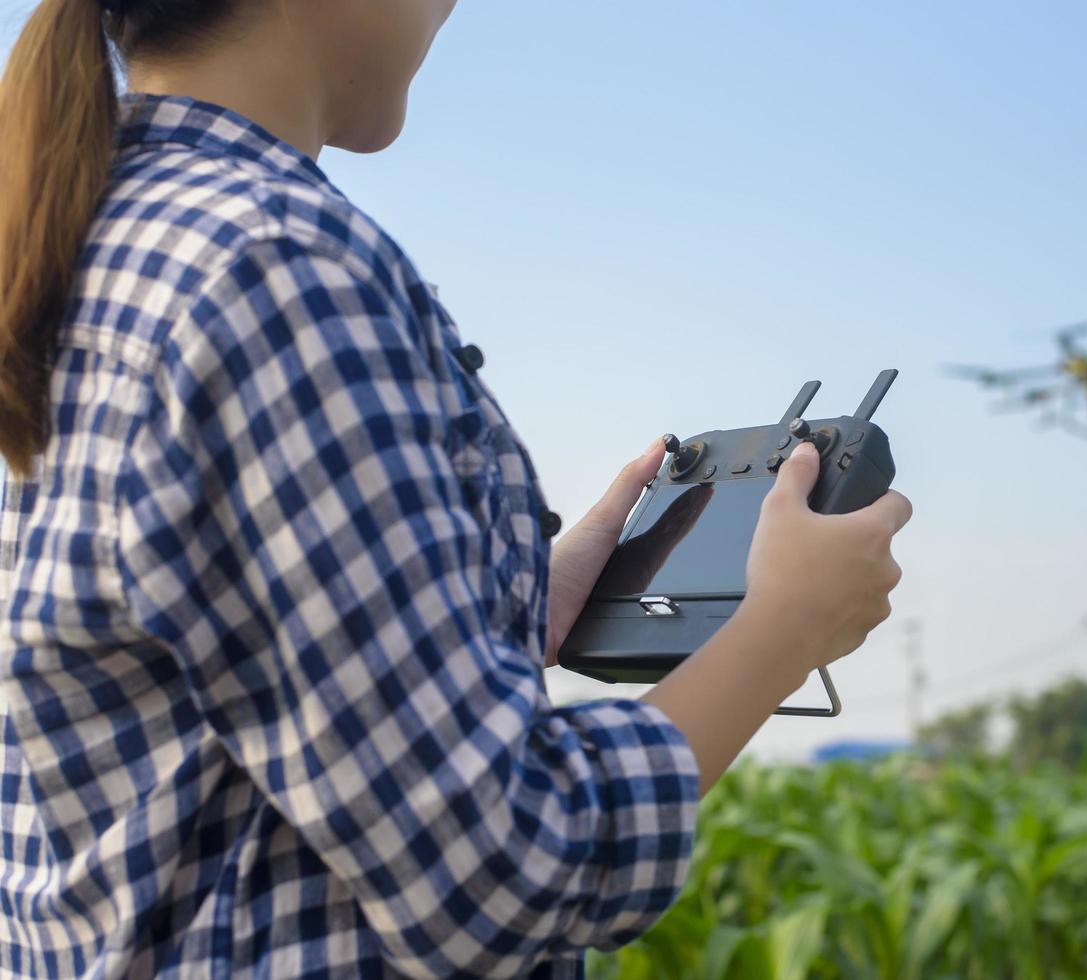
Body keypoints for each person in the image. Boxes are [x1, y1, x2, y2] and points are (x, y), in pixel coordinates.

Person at [0, 1, 912, 976]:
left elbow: (195, 684)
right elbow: (500, 868)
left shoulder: (94, 230)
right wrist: (786, 628)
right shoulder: (276, 265)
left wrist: (516, 600)